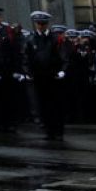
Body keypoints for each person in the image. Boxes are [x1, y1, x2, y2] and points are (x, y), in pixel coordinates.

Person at [24, 10, 68, 140]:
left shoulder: (55, 38)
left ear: (47, 24)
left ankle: (59, 131)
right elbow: (26, 58)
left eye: (43, 23)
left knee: (56, 105)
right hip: (38, 77)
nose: (41, 26)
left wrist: (62, 70)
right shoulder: (30, 39)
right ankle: (49, 131)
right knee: (43, 105)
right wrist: (27, 72)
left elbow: (63, 56)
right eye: (38, 23)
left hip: (53, 76)